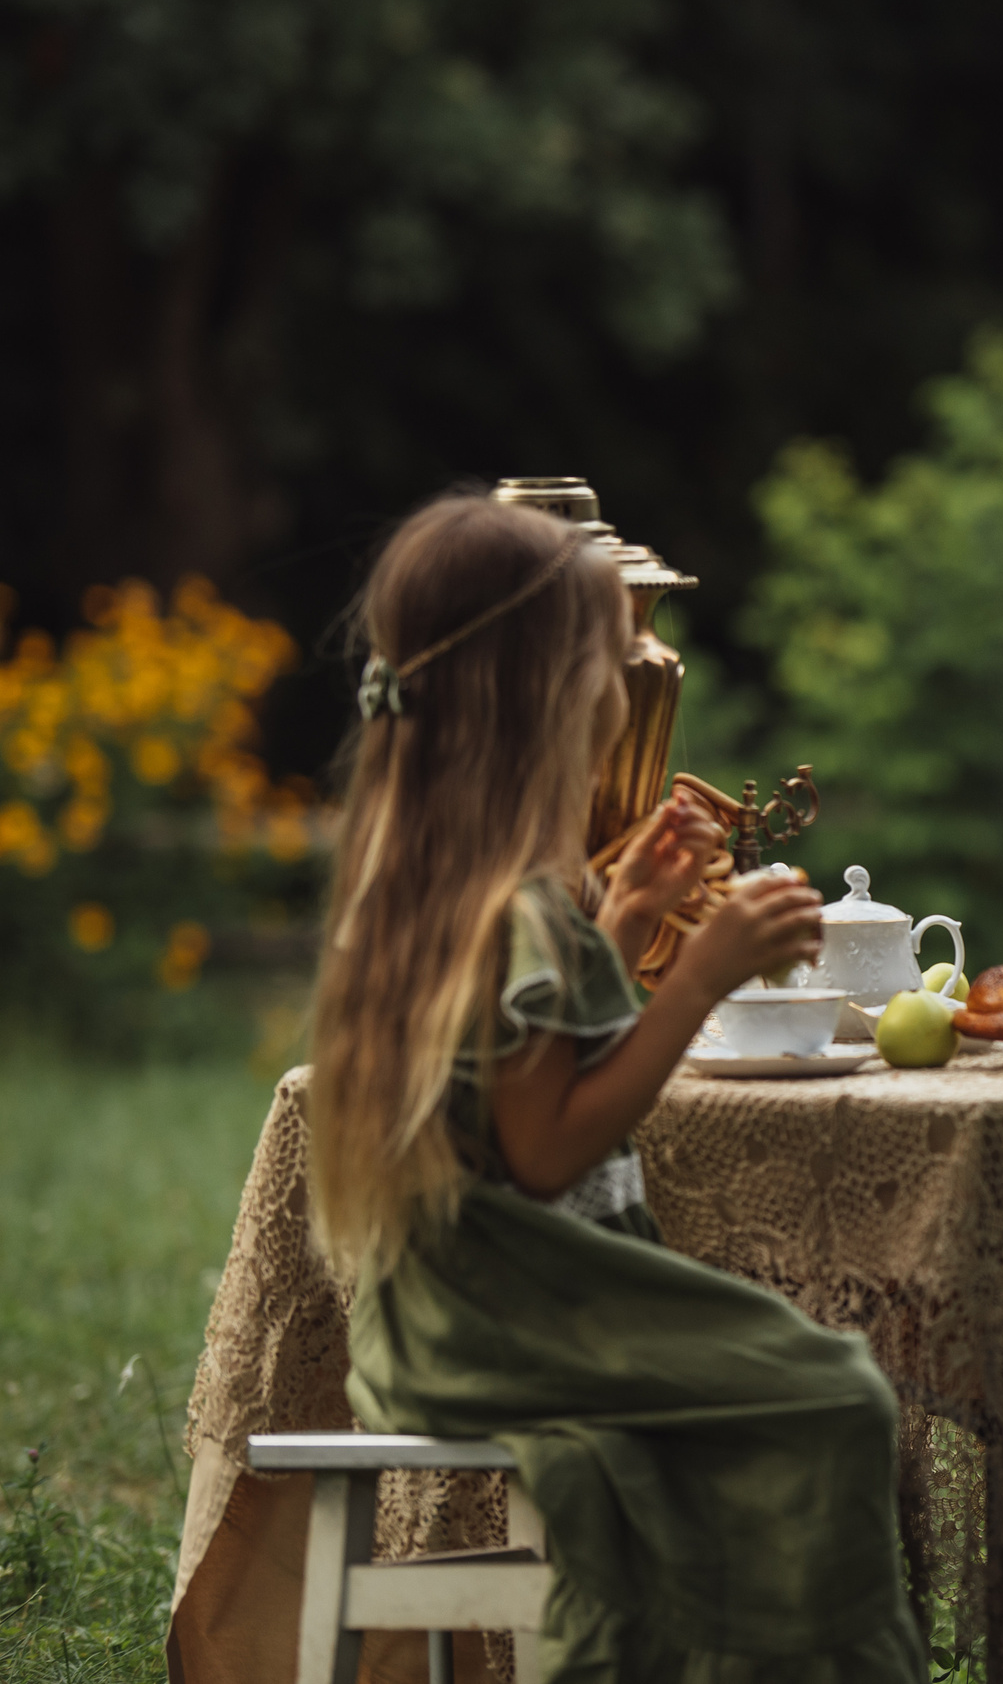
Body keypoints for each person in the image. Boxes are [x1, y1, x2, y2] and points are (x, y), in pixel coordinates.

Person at [305, 493, 926, 1683]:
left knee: (796, 1381)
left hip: (442, 1308)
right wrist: (698, 973)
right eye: (605, 656)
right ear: (541, 692)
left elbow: (513, 1078)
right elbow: (547, 1147)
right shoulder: (514, 907)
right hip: (513, 1311)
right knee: (834, 1388)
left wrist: (625, 916)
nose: (624, 681)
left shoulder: (435, 883)